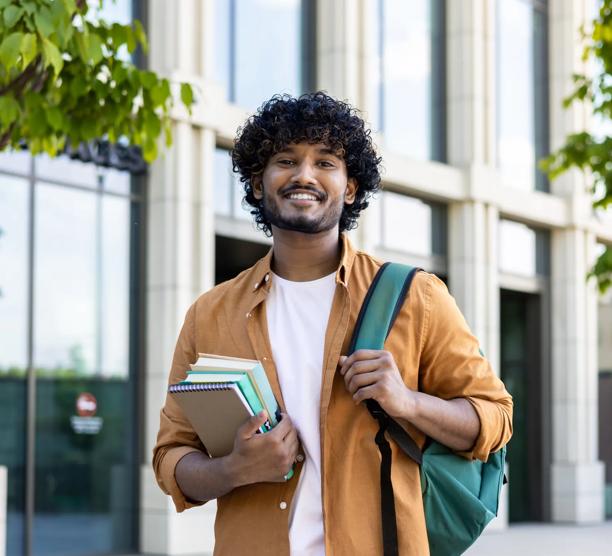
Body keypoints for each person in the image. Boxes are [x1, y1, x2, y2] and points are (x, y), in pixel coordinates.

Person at [153, 92, 513, 556]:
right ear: (258, 184)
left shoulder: (417, 297)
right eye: (285, 160)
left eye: (325, 162)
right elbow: (171, 456)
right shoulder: (210, 314)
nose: (304, 174)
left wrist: (408, 402)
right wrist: (234, 470)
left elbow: (496, 418)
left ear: (350, 188)